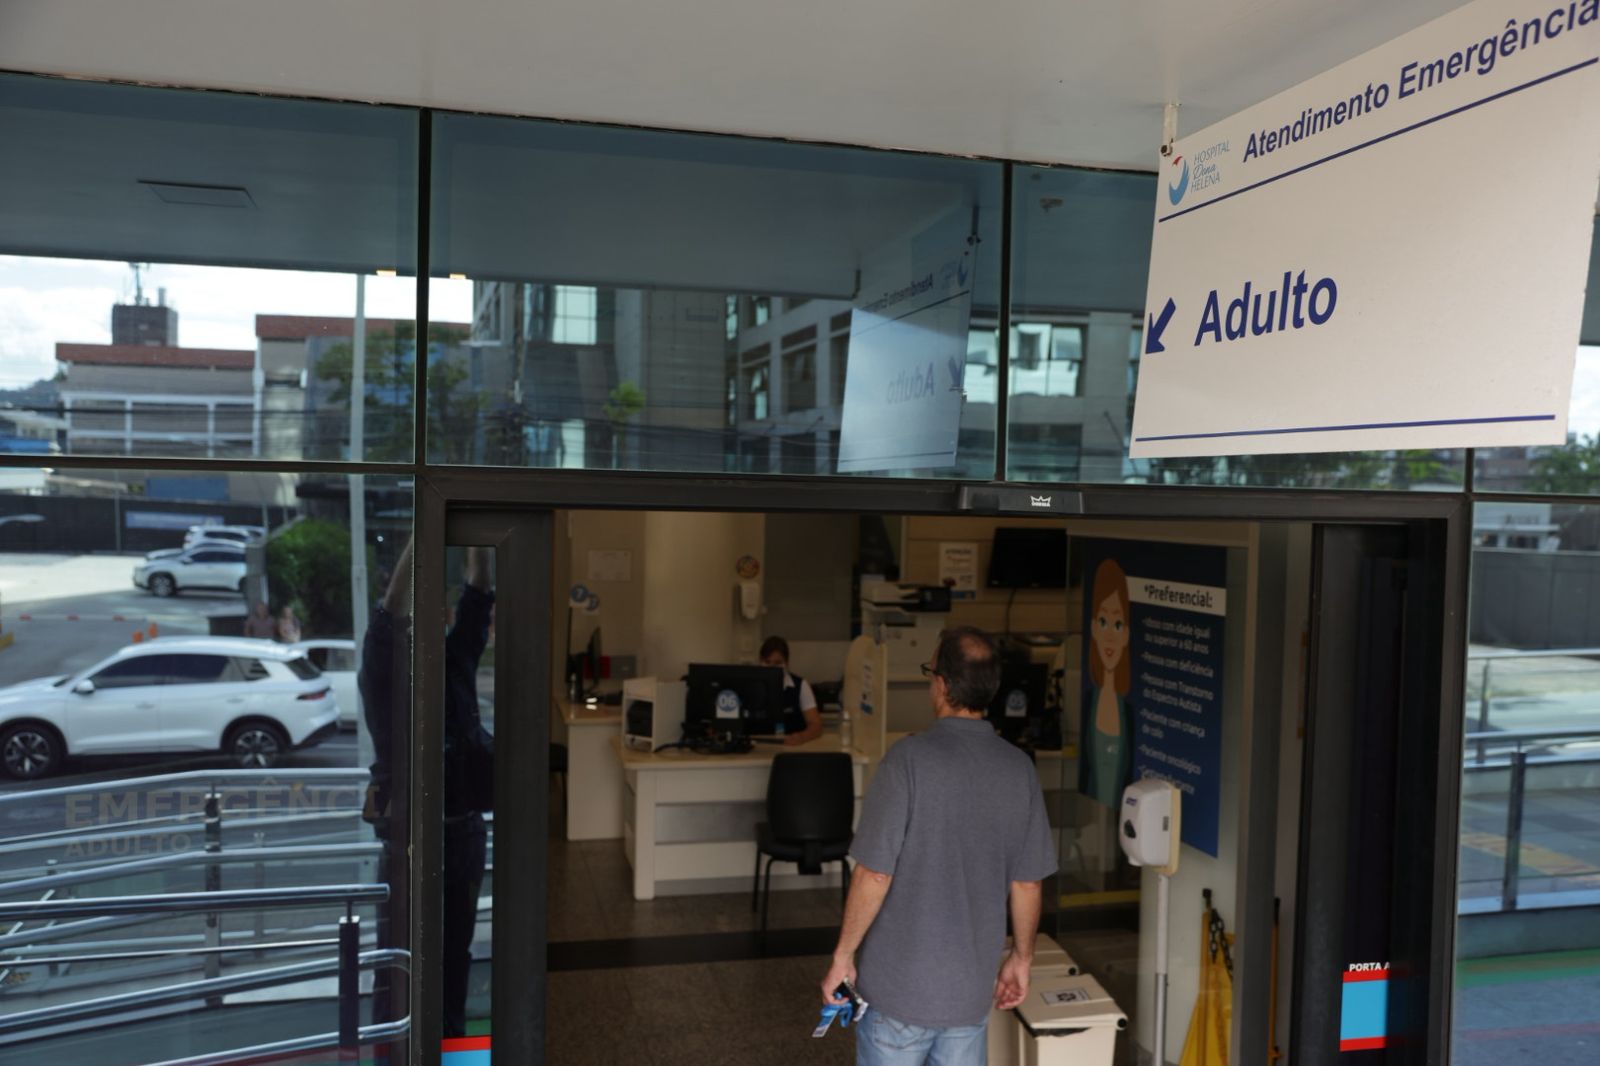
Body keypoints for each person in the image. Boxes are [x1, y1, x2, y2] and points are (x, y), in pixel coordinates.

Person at [822, 626, 1057, 1065]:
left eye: (931, 673)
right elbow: (1027, 883)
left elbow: (875, 873)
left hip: (898, 992)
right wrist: (1021, 959)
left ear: (943, 685)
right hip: (969, 995)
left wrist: (843, 957)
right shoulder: (1019, 769)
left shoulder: (907, 760)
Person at [1082, 557, 1133, 809]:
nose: (1110, 635)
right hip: (1089, 824)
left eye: (1118, 624)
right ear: (1093, 628)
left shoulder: (1130, 713)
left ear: (1126, 635)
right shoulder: (1087, 704)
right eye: (1103, 622)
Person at [759, 635, 822, 745]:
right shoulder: (751, 685)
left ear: (787, 663)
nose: (772, 667)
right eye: (767, 662)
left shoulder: (800, 685)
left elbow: (816, 725)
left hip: (791, 747)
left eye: (778, 663)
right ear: (760, 661)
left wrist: (802, 737)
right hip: (758, 747)